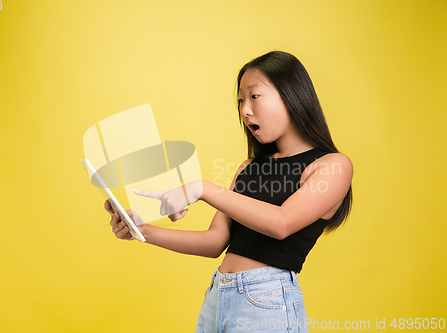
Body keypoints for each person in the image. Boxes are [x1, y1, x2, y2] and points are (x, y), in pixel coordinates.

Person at [105, 51, 353, 333]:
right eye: (240, 101)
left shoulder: (333, 166)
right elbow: (215, 242)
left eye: (254, 96)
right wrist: (141, 230)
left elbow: (281, 223)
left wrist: (203, 188)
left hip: (267, 302)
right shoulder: (249, 167)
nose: (245, 110)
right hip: (217, 297)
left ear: (291, 94)